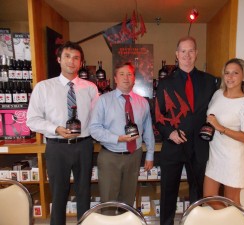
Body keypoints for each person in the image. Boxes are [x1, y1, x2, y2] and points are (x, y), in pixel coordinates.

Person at [26, 41, 99, 225]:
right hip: (57, 147)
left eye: (76, 58)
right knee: (58, 194)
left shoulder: (90, 88)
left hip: (83, 145)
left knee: (84, 193)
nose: (71, 61)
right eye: (67, 56)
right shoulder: (43, 88)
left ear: (81, 63)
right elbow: (32, 120)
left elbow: (97, 118)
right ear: (59, 59)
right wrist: (55, 129)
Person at [155, 36, 219, 225]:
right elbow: (157, 116)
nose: (187, 55)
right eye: (183, 51)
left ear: (196, 54)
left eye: (191, 51)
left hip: (199, 147)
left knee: (198, 194)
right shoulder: (165, 83)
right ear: (176, 54)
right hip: (173, 146)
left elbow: (216, 112)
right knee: (168, 193)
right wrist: (170, 133)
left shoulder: (210, 81)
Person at [89, 62, 155, 209]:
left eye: (129, 74)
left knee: (128, 200)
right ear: (115, 78)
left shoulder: (142, 102)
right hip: (110, 156)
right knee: (109, 201)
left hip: (134, 155)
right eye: (122, 74)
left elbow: (148, 130)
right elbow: (94, 129)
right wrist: (117, 138)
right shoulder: (103, 101)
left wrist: (150, 154)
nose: (126, 78)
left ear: (134, 79)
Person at [203, 58, 244, 208]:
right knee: (209, 197)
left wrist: (222, 128)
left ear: (243, 77)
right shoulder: (218, 94)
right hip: (215, 156)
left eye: (235, 73)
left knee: (232, 202)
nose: (230, 77)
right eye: (227, 73)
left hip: (233, 159)